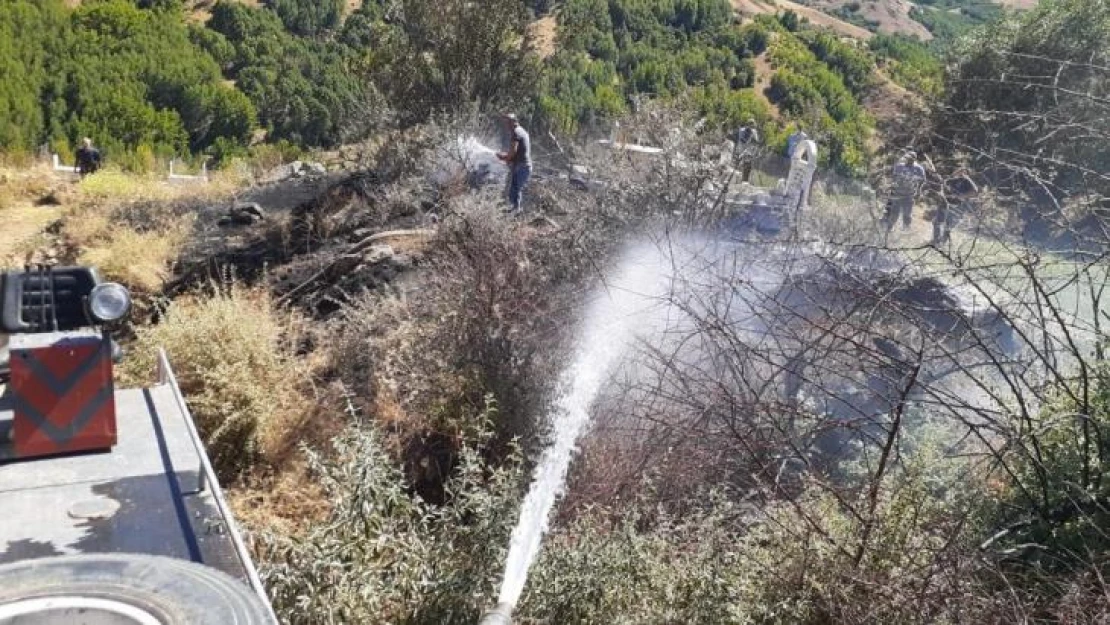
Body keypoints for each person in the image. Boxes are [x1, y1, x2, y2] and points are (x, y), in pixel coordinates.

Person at [496, 113, 532, 215]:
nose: (506, 125)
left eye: (508, 122)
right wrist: (508, 157)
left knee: (514, 192)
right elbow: (517, 152)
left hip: (521, 167)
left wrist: (504, 157)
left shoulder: (516, 133)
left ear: (513, 122)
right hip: (523, 166)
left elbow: (513, 151)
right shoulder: (521, 131)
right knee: (515, 190)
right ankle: (515, 213)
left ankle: (513, 214)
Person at [883, 151, 926, 232]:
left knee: (907, 214)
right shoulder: (899, 166)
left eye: (909, 159)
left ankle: (906, 230)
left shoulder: (919, 169)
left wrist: (919, 192)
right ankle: (889, 228)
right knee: (894, 213)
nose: (907, 160)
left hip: (909, 195)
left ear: (914, 159)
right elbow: (894, 178)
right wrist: (891, 188)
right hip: (897, 194)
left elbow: (922, 181)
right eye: (906, 158)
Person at [934, 167, 978, 244]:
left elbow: (975, 191)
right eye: (959, 171)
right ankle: (935, 240)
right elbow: (942, 185)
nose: (960, 173)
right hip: (944, 204)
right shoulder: (951, 180)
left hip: (957, 207)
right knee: (937, 222)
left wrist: (961, 196)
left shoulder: (967, 182)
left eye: (963, 172)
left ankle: (943, 242)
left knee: (948, 226)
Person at [733, 118, 761, 183]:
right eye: (751, 125)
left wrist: (756, 147)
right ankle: (737, 181)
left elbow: (756, 141)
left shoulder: (754, 131)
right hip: (741, 151)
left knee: (748, 166)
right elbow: (742, 140)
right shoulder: (742, 130)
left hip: (749, 152)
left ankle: (745, 180)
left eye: (753, 126)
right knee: (739, 166)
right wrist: (750, 140)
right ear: (748, 124)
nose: (752, 127)